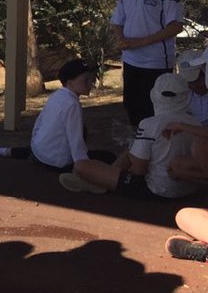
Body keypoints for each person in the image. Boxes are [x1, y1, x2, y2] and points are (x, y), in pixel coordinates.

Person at [60, 74, 207, 199]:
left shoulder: (149, 124)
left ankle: (99, 183)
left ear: (154, 95)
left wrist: (126, 168)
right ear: (186, 97)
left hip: (156, 188)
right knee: (133, 148)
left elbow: (138, 170)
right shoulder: (195, 123)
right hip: (189, 188)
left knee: (81, 166)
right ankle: (99, 182)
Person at [111, 0, 183, 127]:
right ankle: (139, 147)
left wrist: (140, 42)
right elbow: (117, 21)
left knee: (157, 109)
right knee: (133, 108)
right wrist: (121, 39)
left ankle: (159, 150)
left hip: (157, 63)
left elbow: (175, 26)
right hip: (130, 62)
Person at [27, 59, 116, 171]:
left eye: (91, 79)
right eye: (85, 80)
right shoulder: (72, 104)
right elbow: (76, 140)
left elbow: (39, 123)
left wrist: (36, 144)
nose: (91, 83)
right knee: (109, 158)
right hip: (56, 162)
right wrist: (83, 166)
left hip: (39, 152)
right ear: (70, 83)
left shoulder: (56, 96)